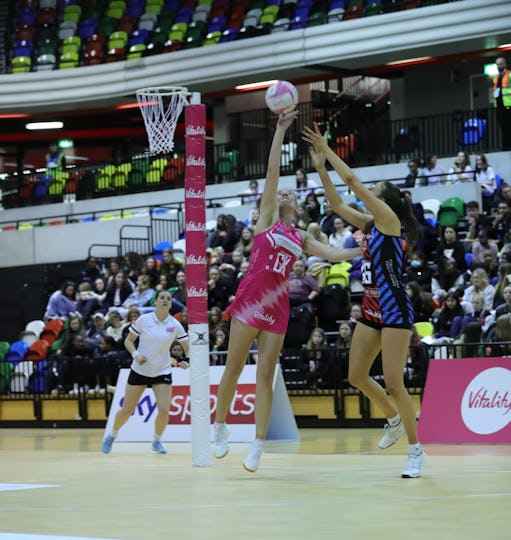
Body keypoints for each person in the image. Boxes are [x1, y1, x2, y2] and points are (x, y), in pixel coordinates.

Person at [212, 111, 361, 473]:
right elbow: (271, 171)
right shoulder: (266, 219)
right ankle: (219, 427)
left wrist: (366, 249)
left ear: (296, 204)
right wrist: (279, 131)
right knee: (232, 370)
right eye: (280, 191)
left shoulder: (302, 237)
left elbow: (333, 253)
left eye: (290, 192)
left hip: (277, 309)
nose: (284, 192)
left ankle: (258, 445)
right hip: (249, 303)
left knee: (265, 377)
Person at [303, 121, 426, 478]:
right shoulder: (370, 224)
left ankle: (416, 451)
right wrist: (321, 170)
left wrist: (328, 150)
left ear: (384, 200)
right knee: (356, 375)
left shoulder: (389, 221)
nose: (368, 190)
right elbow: (337, 202)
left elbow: (353, 184)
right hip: (371, 310)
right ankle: (392, 419)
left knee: (393, 381)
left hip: (395, 311)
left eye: (375, 189)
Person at [101, 289, 190, 454]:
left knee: (164, 409)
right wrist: (136, 355)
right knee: (127, 409)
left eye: (168, 299)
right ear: (155, 301)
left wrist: (186, 360)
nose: (165, 300)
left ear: (171, 303)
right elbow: (129, 341)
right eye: (162, 298)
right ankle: (112, 435)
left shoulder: (175, 325)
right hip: (139, 370)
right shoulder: (144, 320)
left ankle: (156, 441)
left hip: (162, 371)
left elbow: (187, 347)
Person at [493, 56, 511, 150]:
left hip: (508, 105)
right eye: (497, 64)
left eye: (500, 64)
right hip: (500, 106)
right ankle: (505, 145)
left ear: (505, 64)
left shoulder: (509, 75)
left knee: (509, 125)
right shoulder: (496, 78)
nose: (498, 66)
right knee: (503, 126)